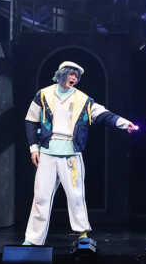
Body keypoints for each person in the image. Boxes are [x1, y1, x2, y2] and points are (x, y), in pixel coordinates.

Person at [22, 61, 137, 246]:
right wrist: (33, 148)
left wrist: (124, 123)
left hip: (71, 153)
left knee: (76, 195)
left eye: (76, 76)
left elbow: (104, 115)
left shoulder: (83, 99)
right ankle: (33, 239)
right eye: (71, 74)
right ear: (62, 74)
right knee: (41, 196)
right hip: (47, 152)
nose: (74, 78)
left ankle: (82, 233)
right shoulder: (43, 94)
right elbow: (31, 120)